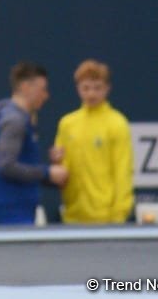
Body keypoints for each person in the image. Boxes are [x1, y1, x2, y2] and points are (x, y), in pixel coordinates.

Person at [0, 61, 68, 225]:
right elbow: (6, 166)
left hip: (15, 209)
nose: (46, 96)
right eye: (42, 89)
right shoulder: (15, 121)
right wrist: (47, 172)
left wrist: (50, 174)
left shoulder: (12, 118)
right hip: (13, 214)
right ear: (25, 87)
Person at [52, 60, 133, 225]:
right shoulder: (67, 124)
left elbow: (123, 172)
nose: (91, 94)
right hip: (72, 216)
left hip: (107, 218)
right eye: (86, 88)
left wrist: (118, 216)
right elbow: (62, 172)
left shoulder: (117, 123)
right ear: (78, 88)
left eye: (97, 88)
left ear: (107, 88)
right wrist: (56, 162)